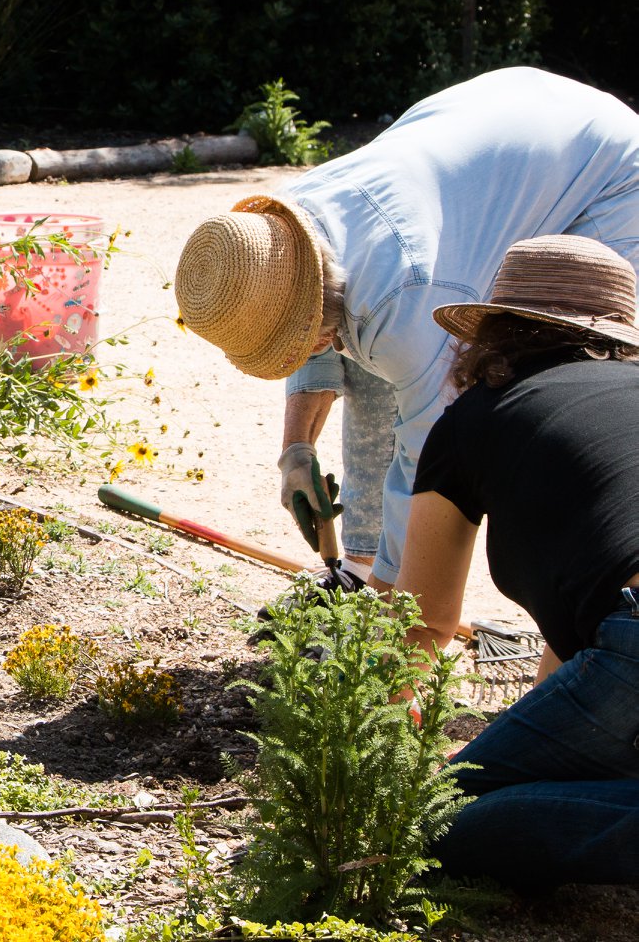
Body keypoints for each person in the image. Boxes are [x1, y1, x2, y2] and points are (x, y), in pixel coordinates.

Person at [174, 67, 639, 588]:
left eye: (304, 341)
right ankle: (360, 566)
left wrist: (395, 614)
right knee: (375, 346)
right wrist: (295, 451)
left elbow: (427, 461)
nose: (314, 347)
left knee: (557, 369)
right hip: (520, 111)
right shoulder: (293, 227)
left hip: (611, 172)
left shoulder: (406, 293)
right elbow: (307, 316)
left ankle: (603, 595)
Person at [394, 234, 639, 887]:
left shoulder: (476, 420)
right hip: (625, 641)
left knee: (432, 826)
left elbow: (424, 623)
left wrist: (376, 748)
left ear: (491, 335)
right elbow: (582, 636)